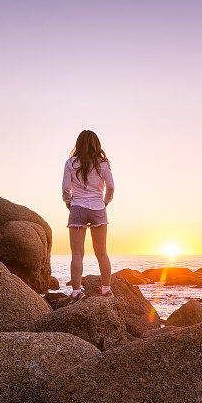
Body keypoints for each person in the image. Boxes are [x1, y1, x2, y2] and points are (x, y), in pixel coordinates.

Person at [62, 130, 115, 304]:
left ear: (78, 143)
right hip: (98, 208)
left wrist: (69, 202)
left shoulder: (70, 162)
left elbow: (64, 188)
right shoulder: (103, 163)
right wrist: (105, 202)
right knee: (102, 252)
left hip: (77, 207)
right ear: (96, 144)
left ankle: (77, 292)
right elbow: (112, 187)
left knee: (77, 254)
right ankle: (106, 290)